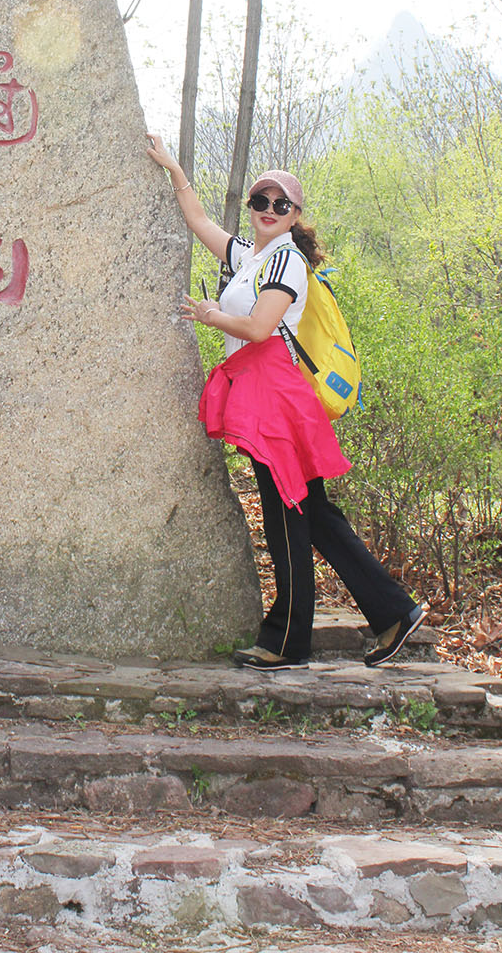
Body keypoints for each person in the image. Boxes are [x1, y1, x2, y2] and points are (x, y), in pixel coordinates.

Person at [145, 134, 425, 671]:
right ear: (252, 209)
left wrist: (209, 315)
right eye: (260, 202)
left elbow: (258, 327)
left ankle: (287, 640)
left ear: (295, 215)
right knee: (312, 512)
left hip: (272, 392)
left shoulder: (286, 262)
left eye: (281, 205)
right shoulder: (251, 256)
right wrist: (174, 167)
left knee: (286, 515)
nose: (269, 210)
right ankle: (395, 611)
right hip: (259, 390)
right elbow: (201, 221)